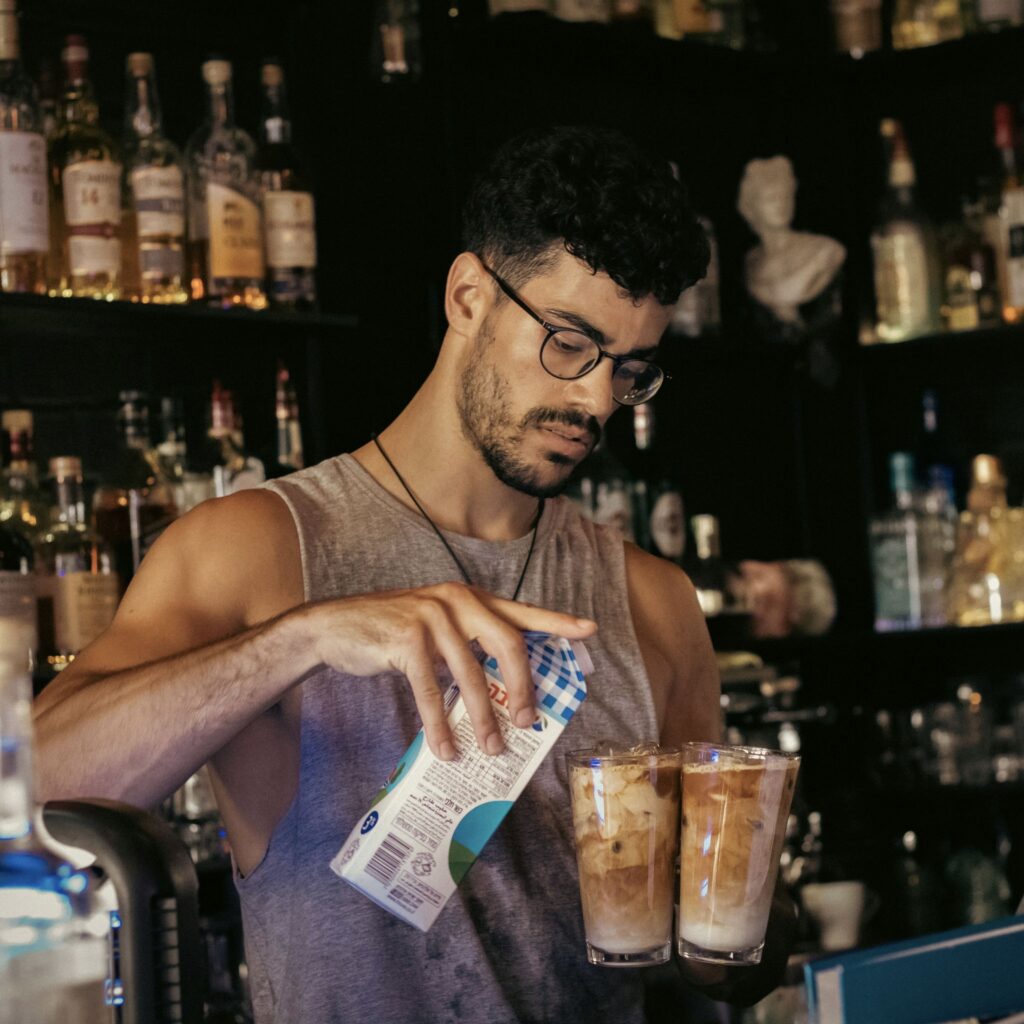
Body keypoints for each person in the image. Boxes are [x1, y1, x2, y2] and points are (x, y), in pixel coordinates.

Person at [34, 125, 795, 1023]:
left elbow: (717, 958)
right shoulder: (257, 550)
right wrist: (302, 638)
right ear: (469, 295)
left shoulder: (653, 602)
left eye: (630, 370)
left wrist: (743, 930)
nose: (596, 400)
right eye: (569, 343)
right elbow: (33, 787)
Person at [738, 155, 846, 332]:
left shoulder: (824, 250)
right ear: (752, 207)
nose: (781, 204)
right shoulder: (751, 262)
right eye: (771, 198)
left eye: (785, 195)